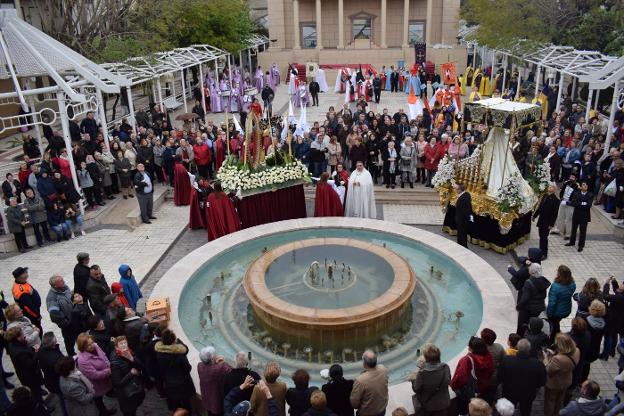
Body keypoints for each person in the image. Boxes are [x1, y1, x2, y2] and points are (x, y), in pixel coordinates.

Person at [498, 339, 546, 416]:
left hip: (509, 392)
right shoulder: (538, 364)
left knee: (506, 412)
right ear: (529, 349)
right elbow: (542, 382)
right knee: (525, 411)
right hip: (528, 394)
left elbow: (500, 377)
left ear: (517, 348)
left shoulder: (507, 360)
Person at [450, 337, 494, 414]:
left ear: (472, 348)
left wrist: (453, 385)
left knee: (464, 409)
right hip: (480, 388)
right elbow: (491, 371)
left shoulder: (467, 359)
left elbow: (461, 377)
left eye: (469, 346)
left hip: (467, 392)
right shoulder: (488, 356)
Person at [155, 329, 196, 412]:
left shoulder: (159, 353)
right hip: (183, 384)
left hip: (170, 384)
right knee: (187, 405)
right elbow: (187, 368)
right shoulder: (179, 355)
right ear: (174, 341)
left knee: (176, 406)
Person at [75, 333, 116, 416]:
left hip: (106, 378)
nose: (92, 345)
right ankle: (103, 413)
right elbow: (94, 375)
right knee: (98, 400)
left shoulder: (95, 346)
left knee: (108, 390)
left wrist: (109, 365)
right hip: (96, 385)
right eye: (88, 345)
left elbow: (104, 356)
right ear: (82, 347)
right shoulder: (82, 360)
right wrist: (108, 371)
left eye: (91, 343)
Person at [4, 327, 45, 403]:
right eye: (22, 334)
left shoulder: (12, 344)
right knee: (35, 392)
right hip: (29, 376)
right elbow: (30, 364)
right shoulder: (19, 353)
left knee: (36, 388)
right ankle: (42, 406)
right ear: (18, 338)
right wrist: (36, 352)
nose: (24, 335)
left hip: (27, 373)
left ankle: (40, 391)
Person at [544, 333, 580, 416]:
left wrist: (547, 358)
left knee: (550, 400)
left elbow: (548, 370)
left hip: (554, 383)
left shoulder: (557, 359)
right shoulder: (577, 350)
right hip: (566, 380)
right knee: (560, 399)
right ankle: (556, 413)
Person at [410, 343, 451, 416]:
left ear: (426, 358)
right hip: (444, 403)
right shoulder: (445, 367)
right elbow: (448, 381)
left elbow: (416, 389)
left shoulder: (422, 374)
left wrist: (413, 380)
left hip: (429, 406)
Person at [109, 336, 146, 416]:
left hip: (135, 387)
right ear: (116, 347)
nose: (124, 345)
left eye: (125, 343)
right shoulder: (115, 363)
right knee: (129, 412)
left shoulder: (129, 352)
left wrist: (132, 358)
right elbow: (117, 384)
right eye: (121, 343)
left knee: (134, 409)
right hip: (126, 395)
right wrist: (131, 374)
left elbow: (141, 367)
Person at [515, 263, 551, 335]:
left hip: (528, 309)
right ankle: (531, 335)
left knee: (522, 325)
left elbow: (525, 298)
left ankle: (519, 338)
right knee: (532, 323)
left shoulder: (529, 283)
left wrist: (518, 306)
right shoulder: (543, 281)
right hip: (538, 308)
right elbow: (544, 295)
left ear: (531, 272)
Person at [350, 350, 388, 416]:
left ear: (364, 363)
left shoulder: (360, 380)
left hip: (367, 413)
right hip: (382, 409)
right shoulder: (383, 369)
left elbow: (354, 404)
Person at [46, 274, 76, 356]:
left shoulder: (64, 287)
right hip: (67, 324)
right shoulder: (51, 298)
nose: (64, 281)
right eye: (61, 281)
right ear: (55, 285)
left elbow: (70, 296)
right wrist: (67, 323)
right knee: (69, 340)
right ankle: (71, 354)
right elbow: (54, 315)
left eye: (62, 279)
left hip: (74, 319)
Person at [198, 346, 232, 416]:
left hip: (206, 398)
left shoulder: (200, 366)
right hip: (216, 402)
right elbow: (231, 371)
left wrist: (215, 362)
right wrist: (223, 362)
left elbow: (211, 368)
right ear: (212, 358)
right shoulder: (219, 368)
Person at [37, 332, 66, 415]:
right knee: (62, 400)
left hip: (49, 380)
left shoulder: (41, 350)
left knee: (60, 396)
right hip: (57, 382)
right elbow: (63, 369)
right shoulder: (55, 359)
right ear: (53, 342)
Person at [546, 265, 576, 341]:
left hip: (556, 312)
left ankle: (553, 340)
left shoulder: (555, 286)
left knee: (553, 326)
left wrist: (549, 314)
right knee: (556, 323)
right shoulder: (573, 284)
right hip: (566, 309)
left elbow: (552, 303)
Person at [532, 183, 559, 259]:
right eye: (549, 186)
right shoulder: (545, 196)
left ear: (554, 189)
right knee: (541, 236)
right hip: (541, 220)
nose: (549, 188)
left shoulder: (556, 200)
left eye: (551, 187)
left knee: (544, 237)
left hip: (547, 222)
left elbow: (554, 214)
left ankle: (544, 253)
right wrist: (535, 215)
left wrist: (551, 224)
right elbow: (540, 207)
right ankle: (540, 251)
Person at [11, 266, 42, 333]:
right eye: (24, 273)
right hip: (31, 316)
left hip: (34, 312)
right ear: (19, 276)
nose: (27, 274)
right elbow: (28, 307)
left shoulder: (22, 282)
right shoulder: (21, 291)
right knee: (38, 330)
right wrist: (37, 316)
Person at [565, 181, 593, 252]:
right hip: (576, 215)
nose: (585, 186)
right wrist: (583, 203)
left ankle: (581, 245)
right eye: (584, 185)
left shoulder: (590, 195)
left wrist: (580, 203)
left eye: (586, 185)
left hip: (584, 216)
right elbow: (574, 203)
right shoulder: (576, 194)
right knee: (574, 229)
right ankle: (572, 242)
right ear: (580, 187)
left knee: (582, 231)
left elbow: (589, 205)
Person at [480, 328, 505, 404]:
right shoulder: (499, 347)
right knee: (491, 394)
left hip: (483, 378)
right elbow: (503, 361)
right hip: (494, 377)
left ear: (484, 340)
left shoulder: (480, 349)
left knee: (482, 395)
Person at [455, 183, 473, 248]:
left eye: (456, 189)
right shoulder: (467, 194)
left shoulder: (462, 199)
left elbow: (465, 211)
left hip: (462, 220)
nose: (455, 190)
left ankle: (462, 247)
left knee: (461, 235)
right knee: (462, 234)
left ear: (460, 190)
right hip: (464, 220)